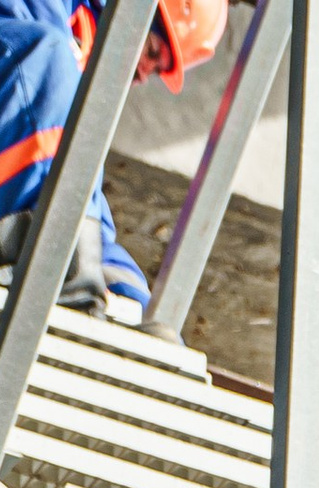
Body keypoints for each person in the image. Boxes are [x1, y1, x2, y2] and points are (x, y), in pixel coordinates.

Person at [0, 0, 226, 315]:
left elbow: (82, 199)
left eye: (157, 69)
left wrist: (142, 306)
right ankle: (43, 256)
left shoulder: (66, 71)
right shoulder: (47, 48)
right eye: (152, 52)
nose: (145, 76)